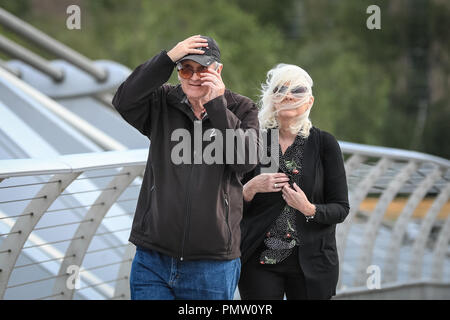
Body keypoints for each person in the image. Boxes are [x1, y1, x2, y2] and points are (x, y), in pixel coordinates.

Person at [112, 35, 259, 300]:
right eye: (185, 68)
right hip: (152, 258)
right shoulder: (161, 102)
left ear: (218, 70)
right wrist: (166, 58)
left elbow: (245, 161)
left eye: (201, 69)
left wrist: (217, 106)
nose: (193, 76)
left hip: (212, 265)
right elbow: (124, 100)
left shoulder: (242, 108)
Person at [238, 63, 350, 300]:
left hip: (312, 264)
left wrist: (309, 208)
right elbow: (228, 201)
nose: (288, 95)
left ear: (309, 102)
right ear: (272, 99)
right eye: (280, 89)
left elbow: (341, 208)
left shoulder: (325, 144)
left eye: (297, 90)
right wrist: (250, 188)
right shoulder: (254, 141)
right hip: (259, 260)